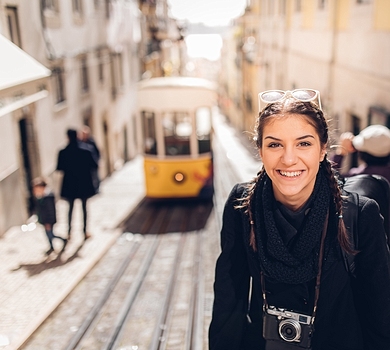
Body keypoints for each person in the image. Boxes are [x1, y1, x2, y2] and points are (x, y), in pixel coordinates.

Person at [209, 89, 390, 350]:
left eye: (303, 143)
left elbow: (380, 317)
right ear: (260, 150)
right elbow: (228, 301)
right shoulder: (242, 205)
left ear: (322, 150)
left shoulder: (359, 214)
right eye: (274, 144)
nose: (289, 159)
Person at [56, 128, 98, 240]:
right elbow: (94, 165)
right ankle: (84, 232)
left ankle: (69, 232)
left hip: (70, 184)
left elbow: (59, 168)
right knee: (84, 208)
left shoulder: (63, 152)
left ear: (68, 137)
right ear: (78, 136)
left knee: (70, 209)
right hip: (84, 183)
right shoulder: (86, 150)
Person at [31, 177, 67, 255]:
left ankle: (63, 240)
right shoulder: (39, 198)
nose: (35, 191)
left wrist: (48, 222)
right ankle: (51, 247)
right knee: (48, 235)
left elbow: (50, 211)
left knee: (51, 234)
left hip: (49, 221)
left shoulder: (48, 198)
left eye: (36, 189)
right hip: (44, 220)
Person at [79, 125, 101, 192]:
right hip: (85, 164)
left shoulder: (92, 141)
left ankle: (97, 188)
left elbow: (97, 151)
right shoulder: (81, 142)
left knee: (95, 175)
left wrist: (97, 160)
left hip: (93, 161)